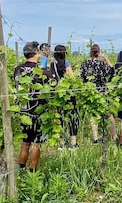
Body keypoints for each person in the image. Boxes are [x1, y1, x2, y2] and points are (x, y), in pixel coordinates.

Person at [13, 41, 53, 172]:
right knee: (37, 144)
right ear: (37, 52)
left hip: (24, 111)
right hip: (39, 112)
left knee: (25, 143)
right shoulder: (43, 72)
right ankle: (32, 173)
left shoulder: (18, 70)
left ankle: (21, 169)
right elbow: (54, 87)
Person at [80, 44, 117, 143]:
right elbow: (112, 71)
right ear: (99, 53)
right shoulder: (101, 64)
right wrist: (106, 59)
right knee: (108, 115)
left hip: (90, 92)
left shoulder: (84, 64)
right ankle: (114, 136)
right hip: (102, 91)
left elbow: (81, 78)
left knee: (93, 115)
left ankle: (95, 138)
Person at [50, 44, 79, 150]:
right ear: (63, 53)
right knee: (72, 117)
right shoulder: (66, 63)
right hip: (68, 94)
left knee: (60, 117)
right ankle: (73, 143)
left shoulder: (52, 64)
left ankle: (61, 143)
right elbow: (72, 78)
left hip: (57, 94)